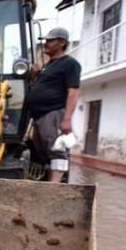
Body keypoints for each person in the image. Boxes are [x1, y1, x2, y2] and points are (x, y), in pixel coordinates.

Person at [25, 27, 81, 182]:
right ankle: (47, 182)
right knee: (42, 150)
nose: (46, 43)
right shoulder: (48, 65)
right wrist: (34, 75)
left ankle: (54, 186)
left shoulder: (70, 64)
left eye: (50, 40)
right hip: (40, 115)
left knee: (57, 149)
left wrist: (67, 119)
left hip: (53, 112)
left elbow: (73, 92)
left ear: (62, 42)